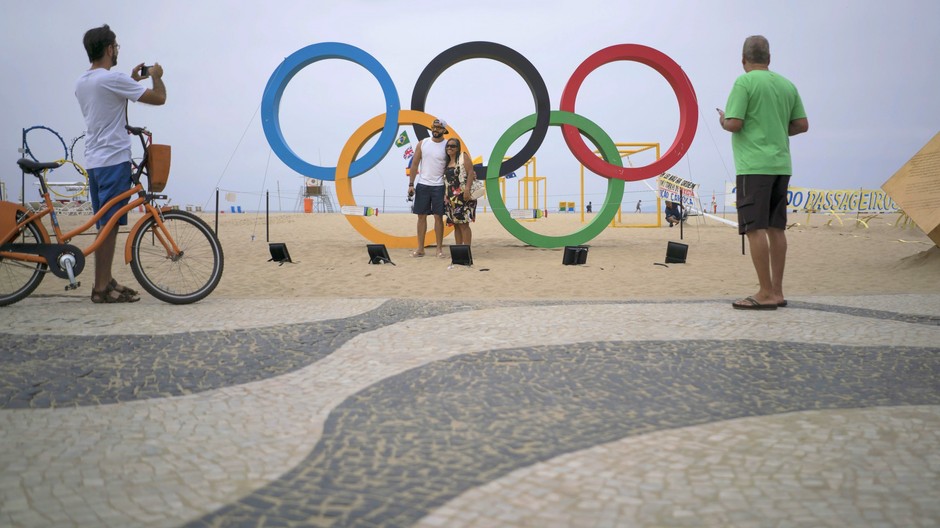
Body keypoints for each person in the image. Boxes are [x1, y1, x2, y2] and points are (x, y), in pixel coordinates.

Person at [75, 24, 166, 303]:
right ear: (109, 48)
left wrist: (130, 80)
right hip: (114, 159)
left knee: (106, 223)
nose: (117, 51)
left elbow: (116, 107)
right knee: (110, 225)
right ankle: (101, 287)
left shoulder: (83, 81)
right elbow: (160, 99)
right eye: (116, 46)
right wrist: (156, 76)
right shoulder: (111, 79)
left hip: (94, 161)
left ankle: (105, 280)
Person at [719, 35, 808, 310]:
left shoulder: (744, 82)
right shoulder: (786, 84)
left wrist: (723, 119)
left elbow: (735, 123)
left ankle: (765, 292)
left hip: (753, 166)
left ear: (743, 60)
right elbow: (802, 124)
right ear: (769, 59)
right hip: (781, 164)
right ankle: (778, 291)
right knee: (776, 228)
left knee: (755, 228)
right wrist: (778, 129)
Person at [407, 119, 448, 258]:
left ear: (444, 130)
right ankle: (420, 249)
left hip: (439, 186)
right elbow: (414, 164)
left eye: (439, 128)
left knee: (438, 217)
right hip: (423, 184)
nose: (436, 129)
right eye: (434, 127)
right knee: (421, 216)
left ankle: (439, 249)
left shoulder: (448, 145)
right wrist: (411, 184)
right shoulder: (423, 143)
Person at [442, 138, 477, 246]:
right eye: (448, 146)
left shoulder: (463, 157)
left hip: (463, 197)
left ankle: (466, 250)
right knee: (456, 225)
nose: (449, 148)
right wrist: (445, 196)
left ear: (457, 148)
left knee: (464, 225)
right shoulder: (447, 161)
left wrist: (467, 190)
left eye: (453, 146)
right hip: (451, 199)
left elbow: (471, 173)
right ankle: (459, 250)